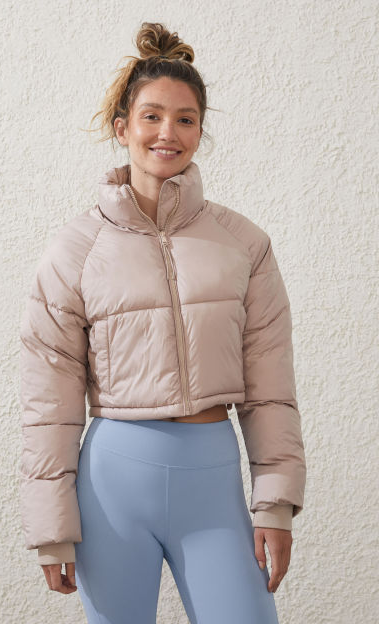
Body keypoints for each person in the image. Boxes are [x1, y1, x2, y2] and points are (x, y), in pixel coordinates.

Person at [19, 21, 306, 623]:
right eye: (151, 116)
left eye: (185, 119)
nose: (167, 133)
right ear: (121, 126)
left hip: (213, 480)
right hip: (112, 486)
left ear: (200, 131)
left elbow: (271, 387)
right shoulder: (75, 249)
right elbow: (50, 397)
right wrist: (51, 528)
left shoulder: (243, 244)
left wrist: (275, 505)